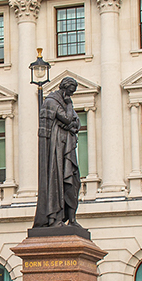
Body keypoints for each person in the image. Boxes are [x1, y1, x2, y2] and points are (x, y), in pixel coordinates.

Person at [33, 76, 81, 228]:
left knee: (73, 182)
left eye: (72, 93)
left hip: (68, 147)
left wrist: (71, 123)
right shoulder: (52, 102)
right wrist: (68, 107)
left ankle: (72, 219)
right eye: (70, 91)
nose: (71, 95)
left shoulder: (66, 101)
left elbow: (77, 121)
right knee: (58, 182)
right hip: (57, 150)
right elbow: (68, 118)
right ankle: (55, 218)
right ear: (63, 88)